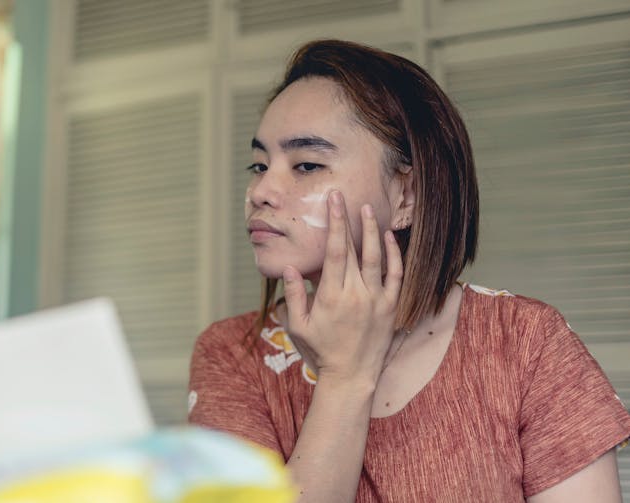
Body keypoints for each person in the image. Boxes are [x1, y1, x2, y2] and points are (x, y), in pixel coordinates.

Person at [187, 39, 630, 502]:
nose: (261, 190)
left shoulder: (526, 342)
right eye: (258, 165)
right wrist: (344, 379)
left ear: (407, 197)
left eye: (306, 165)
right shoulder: (231, 356)